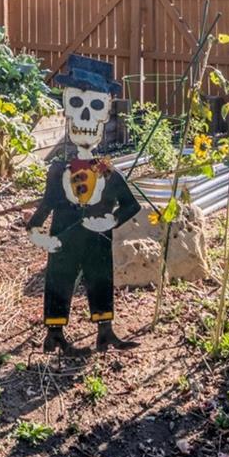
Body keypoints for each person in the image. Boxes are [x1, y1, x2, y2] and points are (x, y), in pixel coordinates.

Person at [24, 55, 142, 355]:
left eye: (96, 107)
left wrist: (110, 222)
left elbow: (131, 206)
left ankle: (105, 331)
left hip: (97, 236)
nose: (86, 118)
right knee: (58, 278)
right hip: (63, 236)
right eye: (78, 104)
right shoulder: (57, 172)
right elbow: (42, 212)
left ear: (105, 113)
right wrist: (39, 235)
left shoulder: (108, 172)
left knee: (100, 276)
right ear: (67, 108)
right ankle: (55, 334)